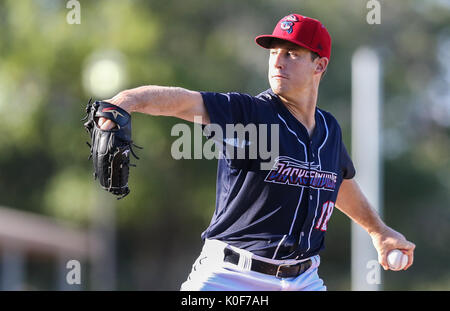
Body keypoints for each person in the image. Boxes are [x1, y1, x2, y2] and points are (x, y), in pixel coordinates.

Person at [98, 13, 415, 291]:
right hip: (231, 275)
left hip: (303, 279)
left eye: (291, 53)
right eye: (274, 52)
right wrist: (127, 100)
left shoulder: (329, 129)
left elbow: (337, 182)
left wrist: (379, 231)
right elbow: (185, 101)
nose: (278, 61)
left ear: (319, 64)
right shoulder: (249, 113)